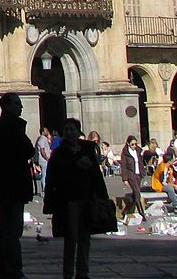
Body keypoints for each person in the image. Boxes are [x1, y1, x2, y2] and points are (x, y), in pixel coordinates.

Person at [43, 118, 110, 279]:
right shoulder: (58, 154)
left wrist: (103, 197)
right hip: (68, 200)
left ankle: (83, 272)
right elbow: (52, 178)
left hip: (87, 198)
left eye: (72, 129)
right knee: (71, 238)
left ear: (78, 131)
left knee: (85, 237)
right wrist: (49, 202)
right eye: (66, 129)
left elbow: (96, 176)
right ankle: (67, 273)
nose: (69, 132)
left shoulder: (87, 150)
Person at [0, 93, 33, 279]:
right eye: (18, 104)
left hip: (2, 185)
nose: (21, 108)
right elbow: (28, 150)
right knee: (12, 229)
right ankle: (12, 268)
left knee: (4, 228)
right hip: (11, 185)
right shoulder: (11, 126)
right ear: (6, 106)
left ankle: (3, 267)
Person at [120, 135, 145, 219]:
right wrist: (125, 179)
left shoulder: (138, 151)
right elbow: (123, 166)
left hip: (138, 174)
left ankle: (126, 212)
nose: (134, 146)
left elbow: (141, 162)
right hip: (131, 174)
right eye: (132, 144)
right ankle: (142, 214)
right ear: (128, 144)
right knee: (137, 192)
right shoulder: (125, 153)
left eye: (135, 144)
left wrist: (143, 173)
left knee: (135, 194)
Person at [35, 127, 53, 195]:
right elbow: (42, 150)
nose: (47, 131)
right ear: (42, 132)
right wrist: (46, 158)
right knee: (44, 175)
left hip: (45, 159)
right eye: (46, 130)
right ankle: (44, 191)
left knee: (46, 174)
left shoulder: (44, 139)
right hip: (44, 160)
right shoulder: (42, 139)